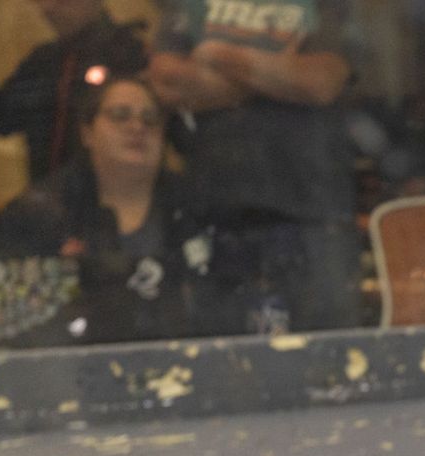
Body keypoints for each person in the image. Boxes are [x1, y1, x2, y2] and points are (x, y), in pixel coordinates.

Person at [149, 0, 359, 335]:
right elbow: (169, 82)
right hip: (215, 213)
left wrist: (218, 55)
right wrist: (277, 72)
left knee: (325, 348)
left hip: (311, 213)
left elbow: (319, 82)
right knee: (218, 352)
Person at [0, 76, 208, 346]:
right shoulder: (39, 212)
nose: (137, 127)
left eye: (150, 119)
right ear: (87, 133)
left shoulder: (198, 207)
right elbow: (11, 322)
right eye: (120, 116)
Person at [0, 0, 150, 184]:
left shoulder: (129, 55)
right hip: (51, 193)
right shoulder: (44, 60)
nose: (47, 8)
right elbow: (2, 114)